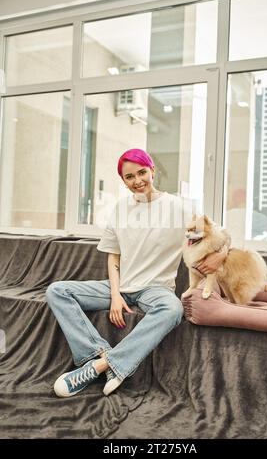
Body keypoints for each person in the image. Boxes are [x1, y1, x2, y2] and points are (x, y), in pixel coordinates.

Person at [46, 148, 227, 397]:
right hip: (120, 286)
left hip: (155, 289)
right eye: (129, 177)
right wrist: (116, 294)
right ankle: (96, 354)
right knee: (58, 290)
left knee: (173, 309)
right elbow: (113, 256)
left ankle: (105, 366)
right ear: (123, 181)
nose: (137, 181)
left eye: (142, 172)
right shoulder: (120, 209)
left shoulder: (179, 207)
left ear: (153, 171)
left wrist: (221, 255)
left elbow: (220, 234)